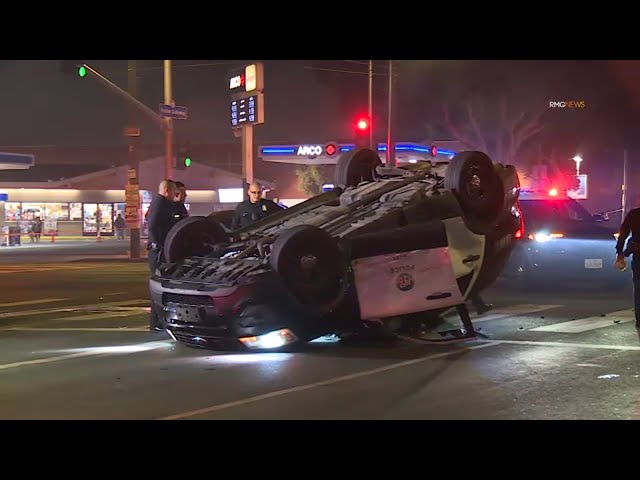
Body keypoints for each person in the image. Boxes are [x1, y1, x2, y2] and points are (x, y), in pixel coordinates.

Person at [146, 179, 179, 332]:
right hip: (158, 252)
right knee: (159, 287)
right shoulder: (160, 204)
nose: (175, 195)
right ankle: (156, 323)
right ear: (167, 191)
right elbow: (152, 225)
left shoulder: (160, 204)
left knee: (161, 286)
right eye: (174, 192)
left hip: (160, 250)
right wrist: (157, 245)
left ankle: (158, 322)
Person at [615, 200, 640, 328]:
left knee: (638, 288)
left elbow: (623, 234)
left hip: (638, 255)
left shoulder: (634, 214)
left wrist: (620, 252)